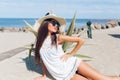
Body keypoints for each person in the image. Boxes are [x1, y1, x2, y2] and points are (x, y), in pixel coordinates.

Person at [34, 13, 120, 80]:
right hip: (62, 74)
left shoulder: (58, 37)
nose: (56, 25)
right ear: (45, 24)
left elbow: (81, 40)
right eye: (53, 23)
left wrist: (70, 54)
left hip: (71, 65)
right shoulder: (40, 41)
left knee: (105, 79)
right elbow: (43, 59)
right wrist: (44, 75)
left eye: (57, 24)